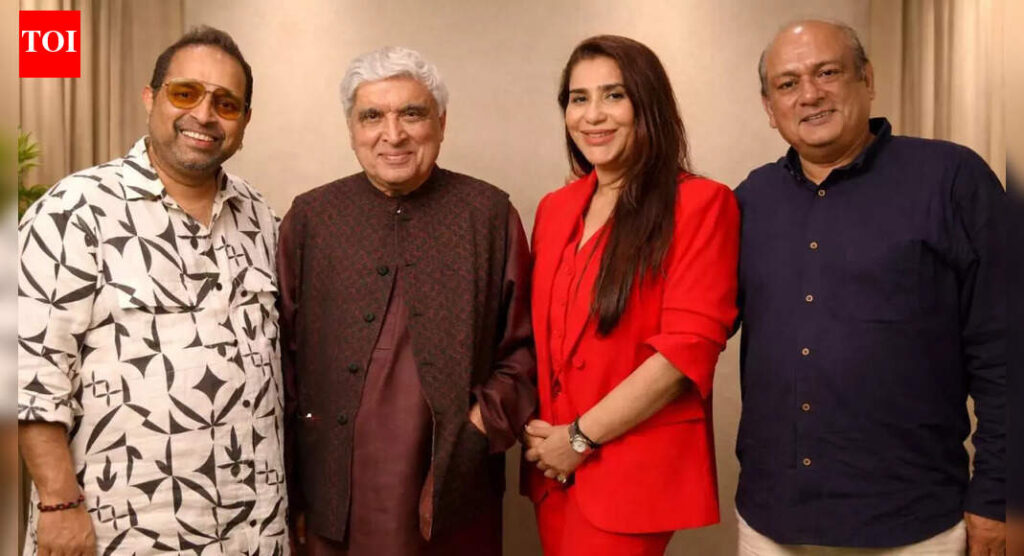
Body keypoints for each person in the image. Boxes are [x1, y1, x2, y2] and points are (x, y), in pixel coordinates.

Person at [734, 19, 1007, 555]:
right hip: (771, 523)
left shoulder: (952, 179)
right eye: (788, 83)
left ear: (867, 79)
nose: (810, 94)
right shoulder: (749, 201)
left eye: (827, 72)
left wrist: (999, 496)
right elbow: (689, 325)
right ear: (769, 107)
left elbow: (1006, 349)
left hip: (916, 525)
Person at [18, 26, 289, 554]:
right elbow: (28, 373)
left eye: (226, 103)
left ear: (244, 121)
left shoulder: (263, 218)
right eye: (185, 93)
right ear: (151, 97)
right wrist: (58, 503)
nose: (204, 115)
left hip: (253, 530)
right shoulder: (75, 210)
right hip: (122, 530)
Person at [277, 46, 535, 555]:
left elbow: (525, 353)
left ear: (441, 123)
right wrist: (294, 488)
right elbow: (280, 359)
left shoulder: (488, 214)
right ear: (351, 129)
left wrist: (479, 427)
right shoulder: (310, 219)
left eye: (412, 114)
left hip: (457, 480)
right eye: (372, 116)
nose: (392, 134)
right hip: (333, 490)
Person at [523, 35, 740, 555]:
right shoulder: (555, 208)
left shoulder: (701, 204)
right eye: (578, 98)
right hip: (552, 471)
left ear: (648, 105)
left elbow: (684, 352)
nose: (593, 115)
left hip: (627, 470)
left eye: (614, 95)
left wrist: (579, 438)